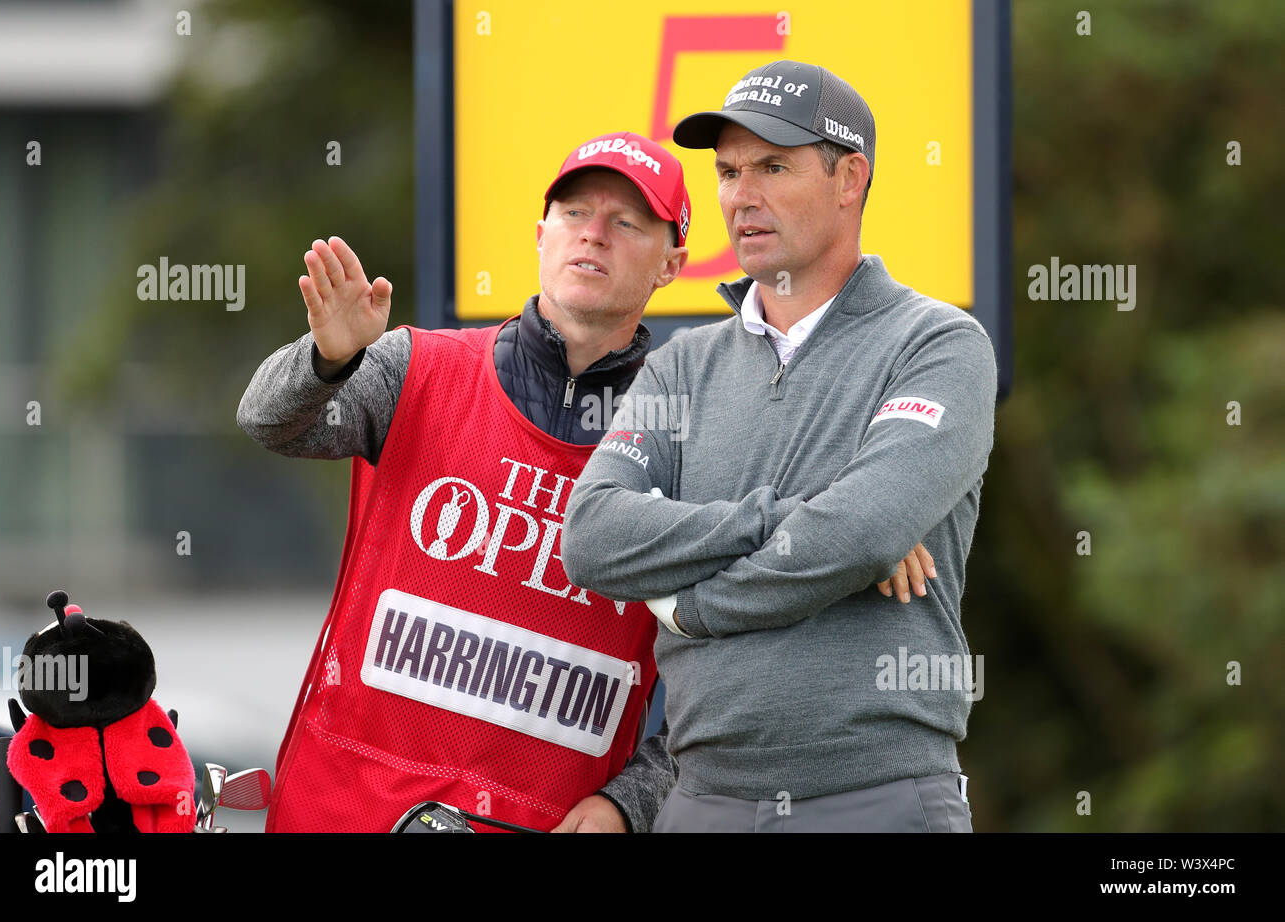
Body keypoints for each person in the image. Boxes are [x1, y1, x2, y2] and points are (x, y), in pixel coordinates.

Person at [561, 61, 997, 832]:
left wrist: (687, 608)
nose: (741, 196)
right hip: (699, 804)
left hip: (879, 800)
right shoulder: (680, 367)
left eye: (772, 166)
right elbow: (593, 537)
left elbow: (859, 534)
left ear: (849, 179)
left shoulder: (938, 345)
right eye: (729, 172)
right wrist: (792, 515)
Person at [235, 132, 694, 833]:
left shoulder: (689, 446)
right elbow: (270, 423)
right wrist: (327, 359)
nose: (593, 236)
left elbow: (731, 695)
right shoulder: (418, 366)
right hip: (340, 812)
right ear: (541, 235)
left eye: (626, 222)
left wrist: (628, 804)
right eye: (574, 214)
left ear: (673, 264)